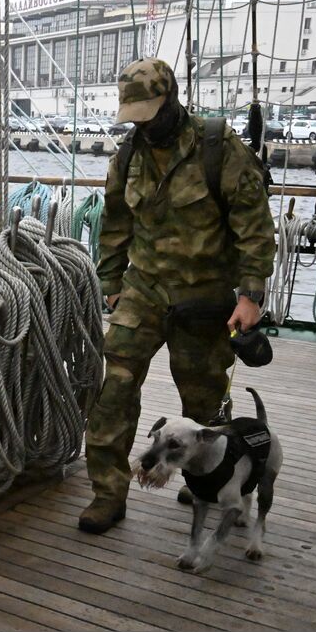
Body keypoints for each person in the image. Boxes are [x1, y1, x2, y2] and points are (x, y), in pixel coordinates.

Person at [79, 58, 275, 535]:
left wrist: (249, 295)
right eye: (134, 115)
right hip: (143, 291)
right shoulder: (127, 155)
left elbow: (254, 226)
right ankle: (108, 493)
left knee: (203, 400)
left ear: (171, 99)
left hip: (204, 297)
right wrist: (111, 284)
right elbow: (115, 224)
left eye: (150, 111)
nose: (143, 124)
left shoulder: (217, 148)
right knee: (114, 390)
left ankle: (201, 476)